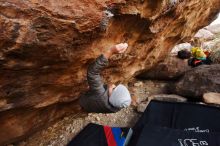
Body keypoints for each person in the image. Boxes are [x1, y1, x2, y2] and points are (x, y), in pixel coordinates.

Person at [79, 43, 131, 113]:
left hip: (82, 101)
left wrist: (111, 51)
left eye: (114, 89)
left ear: (111, 98)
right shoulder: (116, 106)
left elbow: (92, 72)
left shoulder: (100, 94)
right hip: (93, 106)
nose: (113, 85)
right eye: (116, 86)